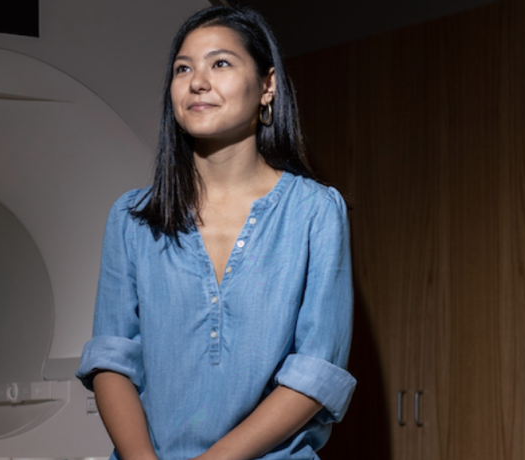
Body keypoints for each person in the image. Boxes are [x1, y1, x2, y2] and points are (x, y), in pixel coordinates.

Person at [74, 6, 355, 460]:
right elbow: (112, 360)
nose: (197, 81)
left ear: (268, 86)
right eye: (183, 68)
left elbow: (316, 372)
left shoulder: (316, 212)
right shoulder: (131, 216)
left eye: (220, 63)